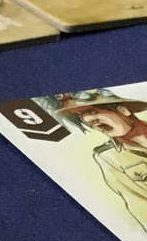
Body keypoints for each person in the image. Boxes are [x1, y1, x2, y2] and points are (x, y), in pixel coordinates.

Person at [55, 89, 147, 232]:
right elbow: (139, 204)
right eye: (81, 116)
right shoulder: (109, 157)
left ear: (123, 110)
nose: (88, 121)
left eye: (93, 112)